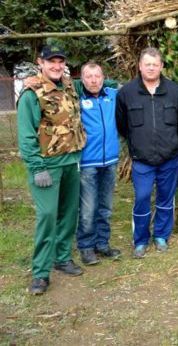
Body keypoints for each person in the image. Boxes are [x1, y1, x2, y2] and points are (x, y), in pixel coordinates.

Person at [18, 44, 87, 295]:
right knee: (47, 216)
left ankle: (62, 257)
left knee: (69, 213)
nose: (56, 66)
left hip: (71, 162)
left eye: (60, 61)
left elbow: (94, 82)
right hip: (46, 166)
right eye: (51, 62)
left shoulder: (69, 85)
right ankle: (40, 272)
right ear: (41, 62)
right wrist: (37, 168)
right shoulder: (32, 93)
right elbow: (26, 136)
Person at [116, 47, 178, 258]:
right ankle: (141, 240)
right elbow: (121, 125)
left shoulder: (174, 90)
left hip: (169, 157)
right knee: (142, 198)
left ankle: (161, 236)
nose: (151, 68)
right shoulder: (127, 92)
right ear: (140, 66)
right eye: (147, 64)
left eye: (155, 64)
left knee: (165, 198)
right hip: (142, 159)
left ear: (161, 66)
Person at [75, 62, 122, 265]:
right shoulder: (76, 98)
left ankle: (102, 243)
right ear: (81, 79)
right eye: (88, 76)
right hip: (88, 162)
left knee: (106, 207)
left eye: (97, 76)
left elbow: (121, 85)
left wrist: (107, 82)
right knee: (88, 208)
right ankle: (86, 247)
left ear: (103, 77)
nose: (93, 80)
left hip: (110, 160)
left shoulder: (113, 95)